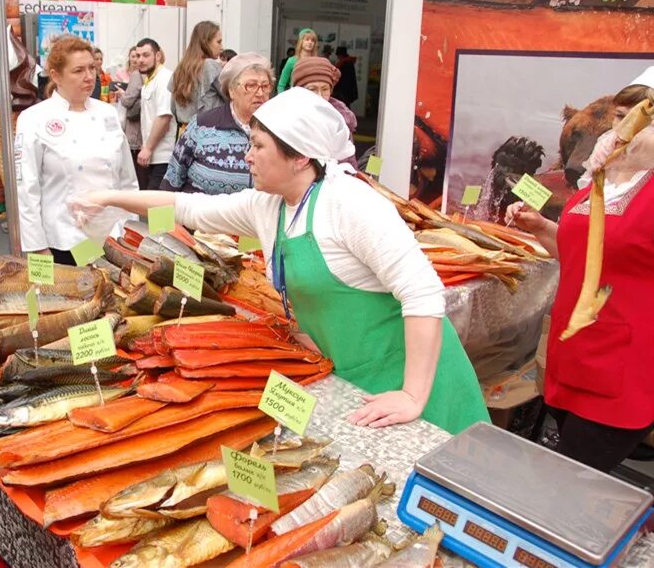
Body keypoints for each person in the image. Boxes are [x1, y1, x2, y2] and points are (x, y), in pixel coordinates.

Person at [72, 88, 490, 434]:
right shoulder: (268, 205)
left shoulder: (350, 203)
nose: (246, 157)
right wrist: (108, 198)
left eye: (257, 146)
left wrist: (414, 394)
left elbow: (423, 293)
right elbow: (187, 207)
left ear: (300, 157)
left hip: (419, 385)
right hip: (354, 377)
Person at [505, 67, 654, 473]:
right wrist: (541, 228)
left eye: (638, 118)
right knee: (569, 469)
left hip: (625, 369)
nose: (620, 129)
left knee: (573, 477)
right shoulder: (601, 178)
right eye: (618, 116)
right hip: (573, 356)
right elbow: (580, 253)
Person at [14, 35, 138, 266]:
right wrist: (37, 248)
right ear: (55, 76)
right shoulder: (33, 119)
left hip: (113, 238)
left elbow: (127, 180)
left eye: (92, 68)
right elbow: (26, 189)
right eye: (78, 70)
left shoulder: (108, 113)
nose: (89, 77)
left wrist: (132, 231)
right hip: (63, 242)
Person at [161, 53, 273, 194]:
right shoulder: (202, 125)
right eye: (251, 86)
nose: (260, 93)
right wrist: (161, 217)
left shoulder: (277, 131)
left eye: (265, 86)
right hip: (200, 214)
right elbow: (171, 182)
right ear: (232, 90)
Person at [292, 57, 358, 172]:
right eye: (312, 89)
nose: (319, 95)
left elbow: (349, 162)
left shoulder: (341, 120)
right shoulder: (287, 118)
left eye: (325, 89)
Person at [136, 37, 177, 189]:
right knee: (153, 206)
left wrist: (148, 148)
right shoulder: (149, 80)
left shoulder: (164, 78)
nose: (140, 60)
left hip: (164, 157)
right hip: (153, 155)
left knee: (158, 208)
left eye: (146, 55)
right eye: (138, 55)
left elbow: (164, 117)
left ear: (158, 56)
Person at [169, 21, 225, 129]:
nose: (222, 47)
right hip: (209, 133)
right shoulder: (210, 66)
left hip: (184, 132)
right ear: (206, 42)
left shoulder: (180, 69)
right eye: (219, 42)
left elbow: (173, 108)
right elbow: (231, 97)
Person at [117, 46, 148, 189]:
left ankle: (139, 210)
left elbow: (128, 100)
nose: (138, 59)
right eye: (135, 56)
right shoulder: (151, 76)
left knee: (137, 179)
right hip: (148, 137)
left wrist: (122, 95)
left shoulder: (137, 75)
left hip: (135, 134)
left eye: (142, 55)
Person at [277, 29, 317, 93]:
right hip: (295, 97)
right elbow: (281, 85)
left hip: (312, 97)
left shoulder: (317, 61)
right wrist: (282, 101)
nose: (310, 42)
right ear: (301, 41)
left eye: (312, 40)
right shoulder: (292, 61)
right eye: (307, 39)